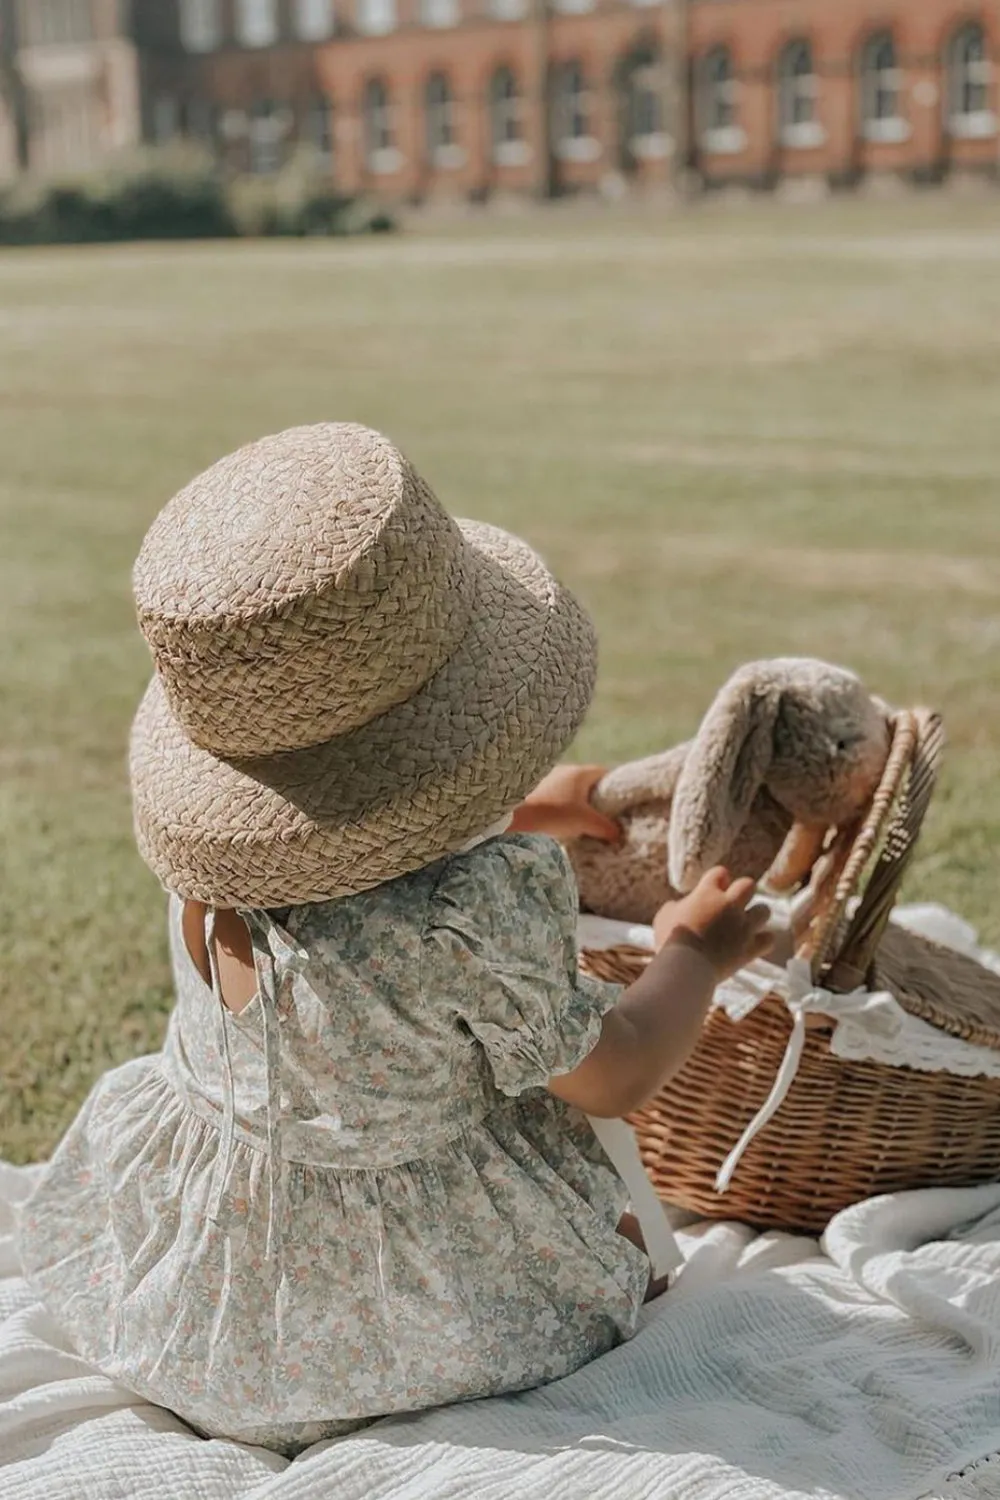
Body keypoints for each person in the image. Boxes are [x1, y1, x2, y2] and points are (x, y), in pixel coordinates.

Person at [20, 423, 771, 1456]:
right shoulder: (474, 905)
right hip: (413, 1313)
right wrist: (694, 949)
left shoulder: (218, 871)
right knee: (614, 1216)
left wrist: (516, 806)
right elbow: (616, 1074)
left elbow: (341, 849)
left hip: (215, 1308)